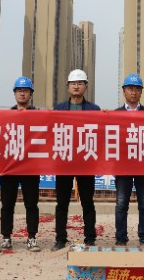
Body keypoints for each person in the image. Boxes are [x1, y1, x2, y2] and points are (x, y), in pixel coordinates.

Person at [51, 69, 100, 251]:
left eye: (80, 83)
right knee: (62, 203)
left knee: (87, 202)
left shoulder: (94, 110)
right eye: (73, 83)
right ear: (68, 86)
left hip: (86, 162)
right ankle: (60, 238)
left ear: (86, 86)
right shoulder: (58, 109)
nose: (76, 86)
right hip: (64, 162)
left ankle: (90, 238)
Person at [0, 76, 42, 253]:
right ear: (15, 94)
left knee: (31, 204)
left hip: (30, 167)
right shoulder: (6, 116)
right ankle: (6, 237)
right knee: (7, 205)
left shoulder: (38, 115)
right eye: (19, 91)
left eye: (25, 91)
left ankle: (32, 237)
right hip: (10, 167)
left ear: (31, 94)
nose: (22, 93)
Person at [113, 73, 144, 246]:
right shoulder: (115, 114)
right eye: (130, 89)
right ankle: (121, 238)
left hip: (143, 166)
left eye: (137, 89)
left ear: (141, 92)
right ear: (124, 91)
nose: (134, 93)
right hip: (123, 167)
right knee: (122, 204)